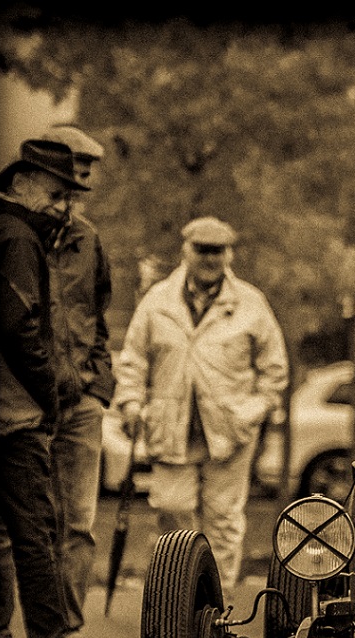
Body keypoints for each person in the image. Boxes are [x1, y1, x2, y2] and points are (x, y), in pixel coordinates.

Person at [0, 126, 120, 638]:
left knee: (75, 524)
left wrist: (97, 382)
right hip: (29, 403)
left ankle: (69, 636)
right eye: (65, 183)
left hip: (72, 399)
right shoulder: (19, 237)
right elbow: (22, 326)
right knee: (28, 530)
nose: (73, 195)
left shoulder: (86, 240)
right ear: (25, 181)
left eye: (81, 181)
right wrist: (48, 392)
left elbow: (99, 315)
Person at [112, 217, 289, 598]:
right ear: (185, 250)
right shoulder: (157, 300)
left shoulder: (251, 303)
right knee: (172, 512)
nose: (210, 258)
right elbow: (133, 360)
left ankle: (216, 605)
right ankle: (177, 598)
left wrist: (254, 409)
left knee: (223, 520)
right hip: (170, 428)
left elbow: (274, 371)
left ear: (229, 254)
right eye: (202, 249)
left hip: (230, 433)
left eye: (218, 250)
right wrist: (130, 403)